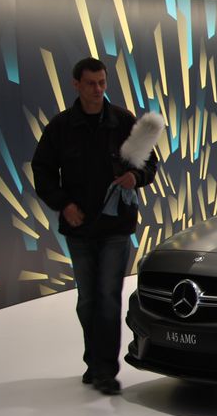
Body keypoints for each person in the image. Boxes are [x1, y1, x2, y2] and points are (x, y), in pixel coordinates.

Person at [32, 57, 157, 395]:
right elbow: (42, 171)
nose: (98, 89)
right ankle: (95, 362)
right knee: (88, 299)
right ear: (76, 84)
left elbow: (150, 163)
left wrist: (136, 177)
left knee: (108, 296)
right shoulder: (60, 127)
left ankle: (105, 370)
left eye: (102, 82)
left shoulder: (123, 121)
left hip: (116, 226)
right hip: (79, 227)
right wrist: (64, 205)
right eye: (91, 83)